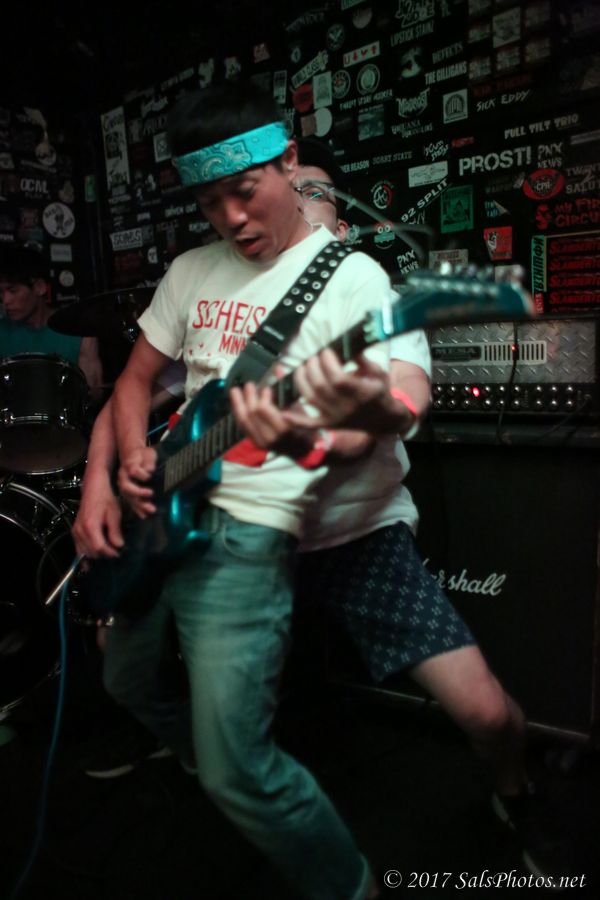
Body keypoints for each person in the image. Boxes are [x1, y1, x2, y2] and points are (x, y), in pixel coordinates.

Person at [74, 82, 414, 900]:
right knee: (123, 681)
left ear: (287, 160)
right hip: (167, 505)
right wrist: (116, 470)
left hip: (247, 532)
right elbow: (134, 381)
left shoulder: (351, 280)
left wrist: (319, 432)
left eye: (244, 190)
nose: (230, 218)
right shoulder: (191, 271)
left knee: (241, 771)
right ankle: (196, 760)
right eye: (208, 201)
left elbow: (392, 406)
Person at [290, 138, 563, 883]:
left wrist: (361, 422)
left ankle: (515, 790)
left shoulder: (366, 287)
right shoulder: (229, 295)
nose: (295, 198)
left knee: (486, 714)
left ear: (343, 223)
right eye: (286, 185)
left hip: (360, 533)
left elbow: (409, 390)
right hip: (260, 539)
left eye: (313, 189)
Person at [0, 244, 102, 393]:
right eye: (1, 293)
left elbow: (94, 394)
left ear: (40, 287)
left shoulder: (80, 333)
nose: (5, 300)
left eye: (13, 291)